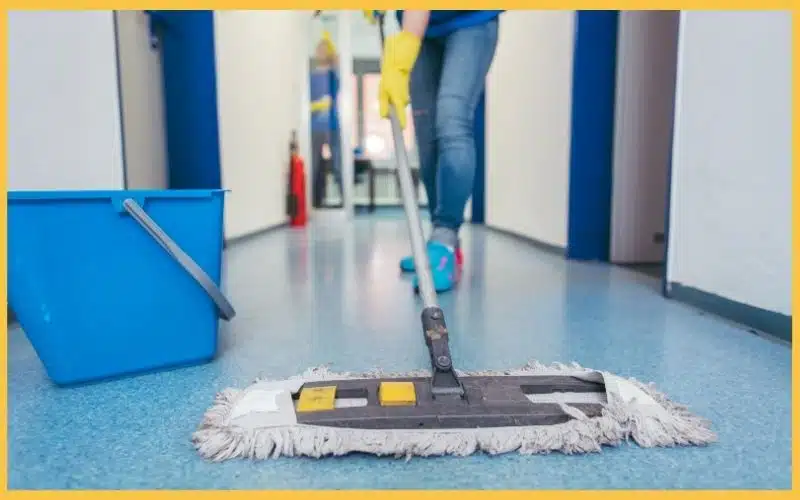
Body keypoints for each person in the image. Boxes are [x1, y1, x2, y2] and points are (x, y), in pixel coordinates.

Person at [366, 10, 503, 293]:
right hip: (425, 30)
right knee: (427, 138)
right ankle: (437, 242)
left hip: (471, 19)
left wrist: (403, 54)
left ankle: (445, 239)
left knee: (452, 119)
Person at [309, 31, 344, 207]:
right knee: (314, 165)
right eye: (319, 48)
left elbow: (338, 87)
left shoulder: (334, 74)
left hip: (332, 125)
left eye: (324, 48)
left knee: (338, 163)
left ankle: (346, 201)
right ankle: (314, 202)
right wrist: (318, 105)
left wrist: (335, 61)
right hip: (315, 127)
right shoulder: (311, 76)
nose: (321, 51)